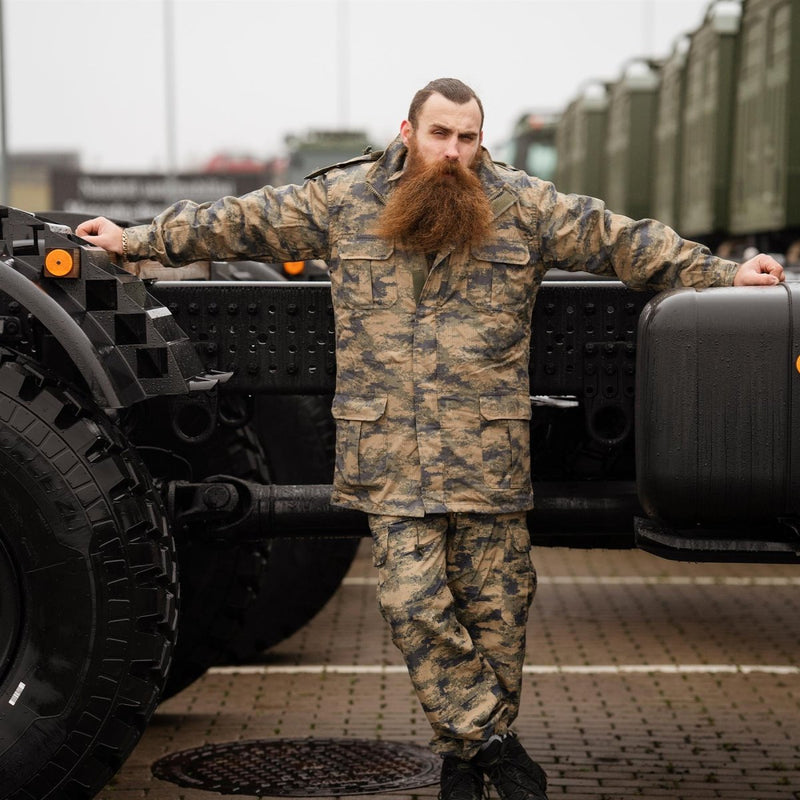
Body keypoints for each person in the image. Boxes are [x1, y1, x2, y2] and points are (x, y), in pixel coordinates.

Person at [76, 78, 784, 800]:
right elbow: (242, 221)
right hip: (391, 458)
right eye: (440, 135)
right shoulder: (343, 198)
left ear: (483, 141)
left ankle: (461, 763)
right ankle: (493, 744)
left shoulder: (523, 205)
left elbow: (620, 240)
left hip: (488, 457)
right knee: (415, 606)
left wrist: (725, 271)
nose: (453, 153)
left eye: (468, 138)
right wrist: (135, 240)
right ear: (408, 132)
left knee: (498, 621)